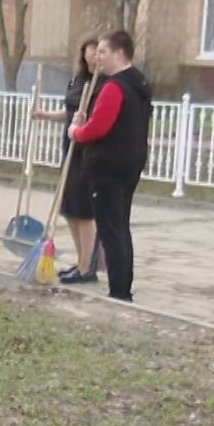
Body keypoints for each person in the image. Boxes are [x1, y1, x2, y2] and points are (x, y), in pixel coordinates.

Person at [67, 29, 151, 302]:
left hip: (108, 167)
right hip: (130, 162)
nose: (97, 57)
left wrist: (76, 131)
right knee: (120, 226)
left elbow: (98, 129)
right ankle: (122, 285)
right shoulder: (140, 82)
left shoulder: (114, 87)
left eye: (103, 51)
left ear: (118, 53)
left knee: (111, 229)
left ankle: (118, 290)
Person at [31, 38, 103, 285]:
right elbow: (70, 111)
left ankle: (87, 267)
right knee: (70, 210)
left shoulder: (104, 84)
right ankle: (81, 262)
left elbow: (99, 118)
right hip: (69, 147)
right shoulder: (77, 80)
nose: (94, 56)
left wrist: (87, 123)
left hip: (88, 151)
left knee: (84, 211)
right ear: (83, 54)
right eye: (90, 51)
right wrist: (45, 115)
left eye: (98, 51)